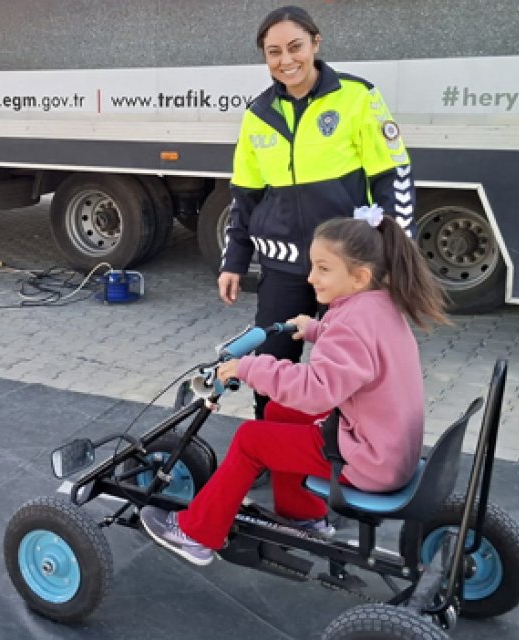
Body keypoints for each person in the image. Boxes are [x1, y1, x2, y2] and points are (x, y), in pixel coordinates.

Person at [141, 210, 449, 566]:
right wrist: (316, 329)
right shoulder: (379, 305)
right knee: (279, 411)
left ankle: (197, 534)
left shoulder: (352, 323)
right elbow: (360, 352)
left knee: (251, 440)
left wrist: (250, 367)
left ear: (360, 277)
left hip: (370, 461)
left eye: (323, 268)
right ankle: (303, 515)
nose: (310, 277)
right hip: (387, 447)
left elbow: (316, 391)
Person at [218, 5, 415, 420]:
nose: (286, 60)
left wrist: (394, 255)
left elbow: (393, 178)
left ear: (315, 43)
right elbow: (245, 196)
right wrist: (234, 261)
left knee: (343, 371)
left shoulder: (357, 96)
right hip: (283, 266)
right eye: (274, 52)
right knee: (272, 361)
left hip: (344, 266)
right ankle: (270, 437)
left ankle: (341, 445)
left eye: (295, 47)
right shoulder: (258, 114)